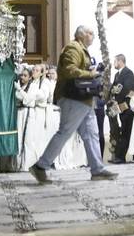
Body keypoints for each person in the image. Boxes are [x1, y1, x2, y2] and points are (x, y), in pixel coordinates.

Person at [29, 26, 114, 183]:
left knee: (91, 134)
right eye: (90, 33)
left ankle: (97, 169)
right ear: (81, 35)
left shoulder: (80, 49)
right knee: (65, 132)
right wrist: (91, 73)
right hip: (73, 98)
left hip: (84, 100)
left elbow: (76, 69)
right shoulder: (73, 47)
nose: (93, 36)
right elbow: (69, 70)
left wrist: (90, 69)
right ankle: (40, 166)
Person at [106, 54, 134, 165]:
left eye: (115, 61)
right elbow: (113, 88)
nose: (114, 64)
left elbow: (127, 89)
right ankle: (118, 156)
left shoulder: (128, 73)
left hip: (127, 106)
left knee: (125, 130)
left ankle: (121, 156)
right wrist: (112, 98)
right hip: (119, 106)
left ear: (120, 61)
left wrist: (117, 100)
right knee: (121, 130)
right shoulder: (117, 75)